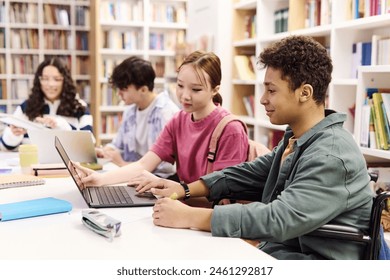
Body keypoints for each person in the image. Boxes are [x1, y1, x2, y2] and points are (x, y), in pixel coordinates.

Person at [144, 36, 374, 260]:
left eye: (271, 91)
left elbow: (279, 218)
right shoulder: (297, 140)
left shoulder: (331, 155)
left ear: (305, 93)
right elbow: (247, 174)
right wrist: (184, 190)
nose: (262, 99)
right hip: (280, 249)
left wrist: (191, 217)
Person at [72, 51, 249, 197]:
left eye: (195, 89)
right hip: (182, 200)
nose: (185, 96)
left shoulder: (231, 129)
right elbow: (143, 165)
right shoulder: (179, 120)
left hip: (206, 212)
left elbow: (224, 191)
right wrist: (100, 179)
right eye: (180, 86)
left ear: (215, 90)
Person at [96, 56, 180, 180]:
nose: (119, 93)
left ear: (143, 89)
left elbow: (166, 167)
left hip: (158, 180)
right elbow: (118, 144)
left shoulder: (166, 113)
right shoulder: (130, 111)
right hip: (133, 175)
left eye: (124, 89)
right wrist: (105, 151)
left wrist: (122, 164)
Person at [0, 57, 92, 151]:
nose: (51, 84)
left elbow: (89, 145)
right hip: (32, 163)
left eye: (57, 79)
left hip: (68, 164)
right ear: (39, 80)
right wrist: (13, 134)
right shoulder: (26, 107)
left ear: (65, 81)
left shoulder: (79, 107)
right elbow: (3, 147)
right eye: (45, 79)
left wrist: (62, 126)